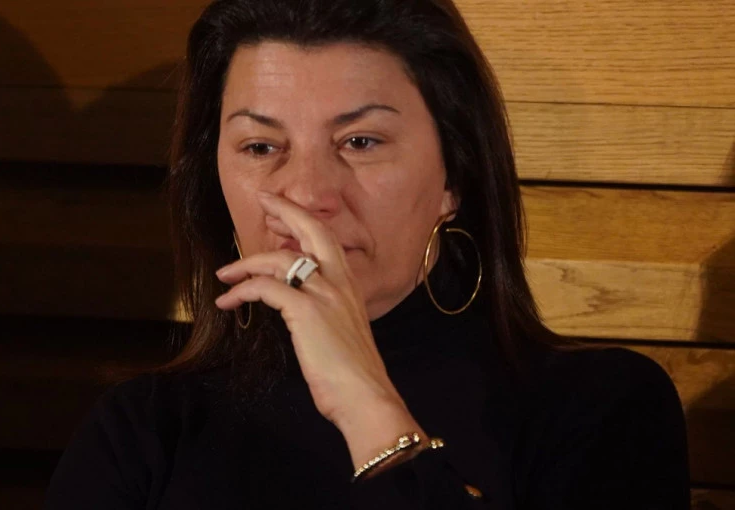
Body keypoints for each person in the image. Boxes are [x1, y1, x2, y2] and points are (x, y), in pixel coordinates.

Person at [44, 0, 691, 508]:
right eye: (261, 148)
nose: (306, 193)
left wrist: (365, 404)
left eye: (359, 141)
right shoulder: (145, 428)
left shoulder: (597, 407)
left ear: (454, 176)